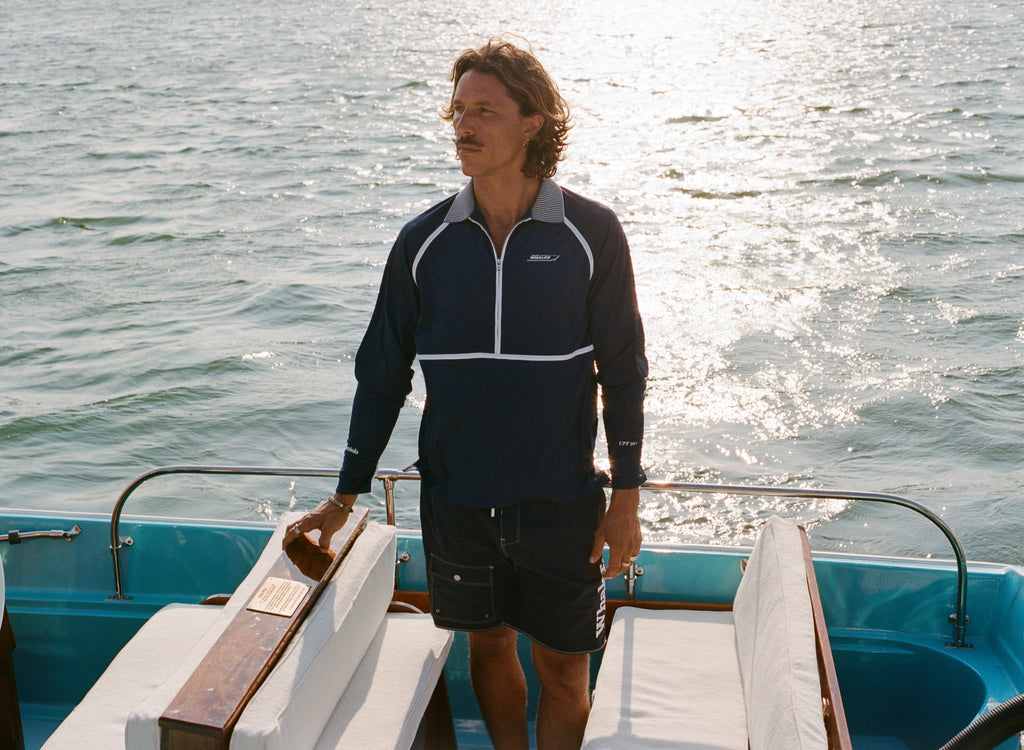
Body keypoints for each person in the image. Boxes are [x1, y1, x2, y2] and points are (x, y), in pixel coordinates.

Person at [284, 37, 647, 750]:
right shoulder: (423, 242)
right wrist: (344, 495)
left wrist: (626, 500)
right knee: (487, 648)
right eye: (457, 110)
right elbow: (381, 374)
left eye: (484, 110)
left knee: (568, 668)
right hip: (457, 502)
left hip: (562, 501)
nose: (463, 126)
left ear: (532, 123)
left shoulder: (591, 233)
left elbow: (625, 371)